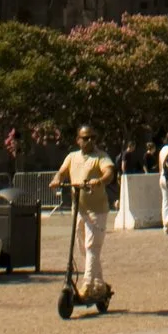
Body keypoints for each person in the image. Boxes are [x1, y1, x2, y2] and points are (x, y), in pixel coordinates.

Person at [50, 125, 117, 293]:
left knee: (92, 246)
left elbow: (109, 172)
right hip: (78, 210)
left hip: (97, 210)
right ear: (78, 140)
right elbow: (62, 172)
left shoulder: (101, 157)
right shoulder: (72, 157)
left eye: (93, 138)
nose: (90, 141)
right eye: (86, 138)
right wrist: (57, 180)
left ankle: (87, 284)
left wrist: (100, 180)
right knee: (84, 249)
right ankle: (100, 284)